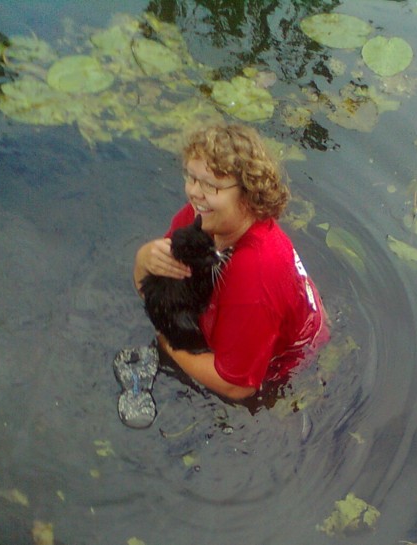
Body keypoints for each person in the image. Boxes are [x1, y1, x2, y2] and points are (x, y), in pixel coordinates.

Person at [119, 124, 328, 425]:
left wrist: (168, 346)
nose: (194, 192)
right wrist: (144, 258)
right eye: (191, 178)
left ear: (247, 195)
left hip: (290, 362)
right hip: (273, 307)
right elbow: (154, 290)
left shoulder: (254, 271)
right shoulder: (202, 218)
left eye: (210, 186)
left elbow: (237, 385)